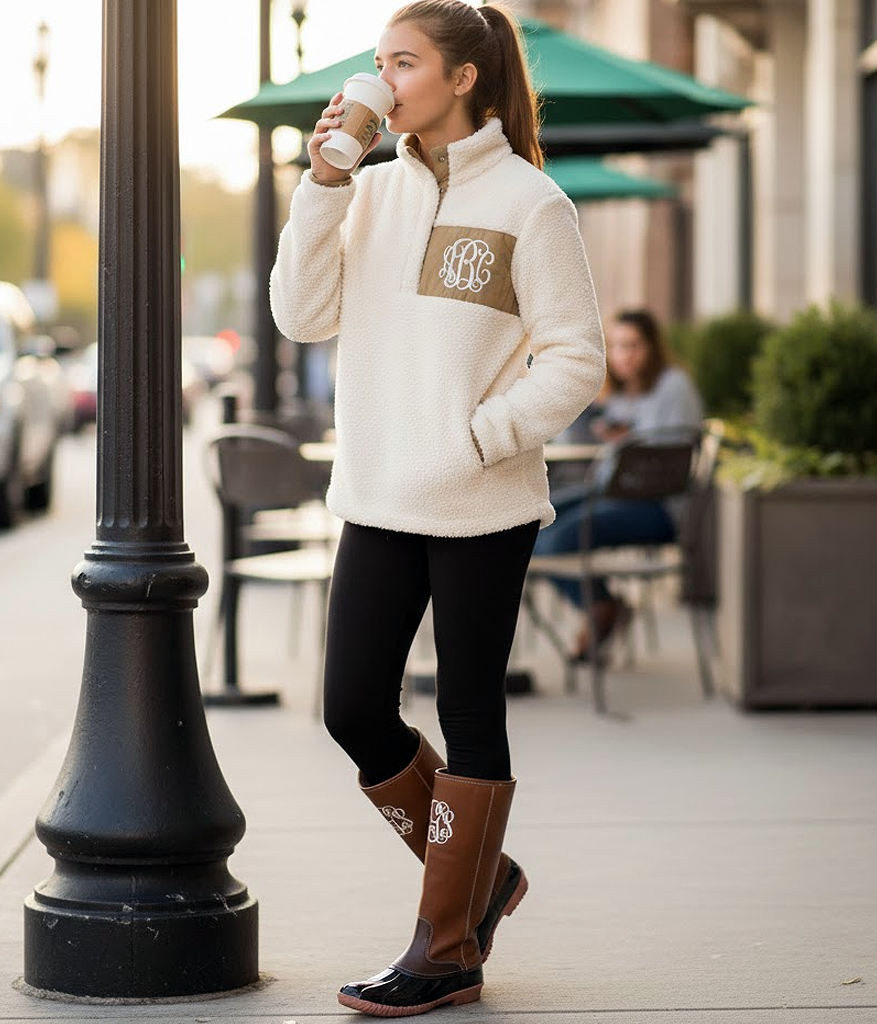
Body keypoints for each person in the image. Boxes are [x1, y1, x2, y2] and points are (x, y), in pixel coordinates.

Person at [270, 1, 605, 1016]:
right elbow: (300, 313)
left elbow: (574, 359)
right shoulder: (366, 196)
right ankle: (482, 878)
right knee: (352, 710)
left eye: (402, 62)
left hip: (481, 504)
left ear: (461, 78)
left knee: (470, 713)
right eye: (378, 63)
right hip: (375, 496)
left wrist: (477, 438)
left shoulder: (531, 203)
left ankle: (446, 943)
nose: (384, 79)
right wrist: (322, 184)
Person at [534, 308, 705, 661]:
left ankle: (600, 605)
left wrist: (624, 441)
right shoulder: (627, 393)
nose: (623, 355)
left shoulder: (672, 386)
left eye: (633, 346)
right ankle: (602, 605)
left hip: (658, 507)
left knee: (554, 539)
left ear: (653, 347)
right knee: (531, 523)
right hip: (613, 492)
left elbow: (662, 461)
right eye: (616, 346)